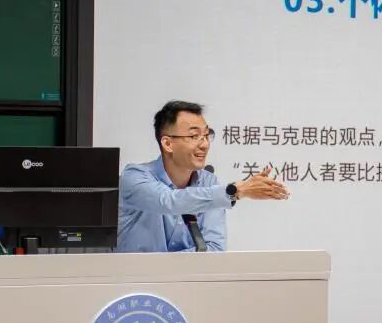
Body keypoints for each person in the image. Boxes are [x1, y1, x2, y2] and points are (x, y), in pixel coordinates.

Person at [117, 100, 289, 252]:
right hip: (131, 278)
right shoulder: (135, 177)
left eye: (206, 135)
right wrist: (235, 191)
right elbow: (168, 201)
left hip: (187, 278)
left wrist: (169, 268)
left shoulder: (208, 182)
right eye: (194, 136)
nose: (205, 144)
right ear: (168, 143)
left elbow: (214, 248)